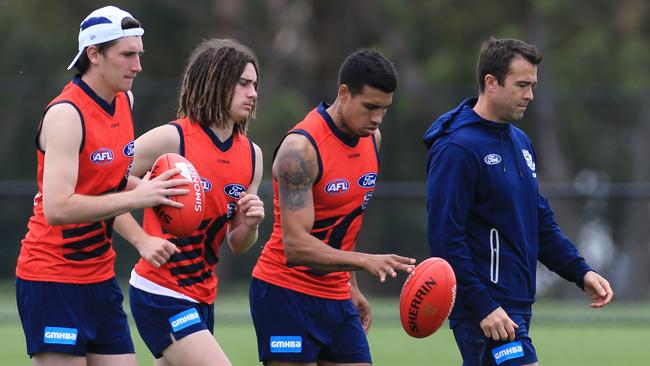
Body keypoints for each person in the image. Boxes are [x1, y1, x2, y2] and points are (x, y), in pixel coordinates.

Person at [15, 5, 190, 366]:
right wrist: (138, 197)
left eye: (139, 55)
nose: (138, 66)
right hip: (52, 279)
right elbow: (58, 207)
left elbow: (110, 183)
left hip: (100, 276)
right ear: (94, 54)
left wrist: (153, 190)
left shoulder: (125, 100)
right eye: (128, 55)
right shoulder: (66, 115)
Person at [423, 37, 614, 366]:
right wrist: (482, 305)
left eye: (533, 85)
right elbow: (445, 238)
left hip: (516, 305)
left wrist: (581, 272)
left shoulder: (520, 143)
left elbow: (540, 223)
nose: (530, 95)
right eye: (522, 85)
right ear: (491, 83)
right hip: (485, 310)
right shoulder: (458, 149)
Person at [249, 49, 416, 366]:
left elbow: (345, 220)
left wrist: (350, 285)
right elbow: (295, 245)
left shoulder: (373, 139)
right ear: (344, 93)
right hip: (286, 294)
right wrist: (363, 262)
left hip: (336, 296)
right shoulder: (300, 150)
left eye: (384, 109)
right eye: (370, 107)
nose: (377, 118)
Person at [115, 38, 264, 366]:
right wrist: (142, 240)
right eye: (243, 84)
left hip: (203, 296)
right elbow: (101, 184)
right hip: (160, 292)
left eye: (254, 85)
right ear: (216, 82)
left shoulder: (252, 156)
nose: (252, 93)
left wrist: (249, 225)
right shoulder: (172, 139)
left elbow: (237, 245)